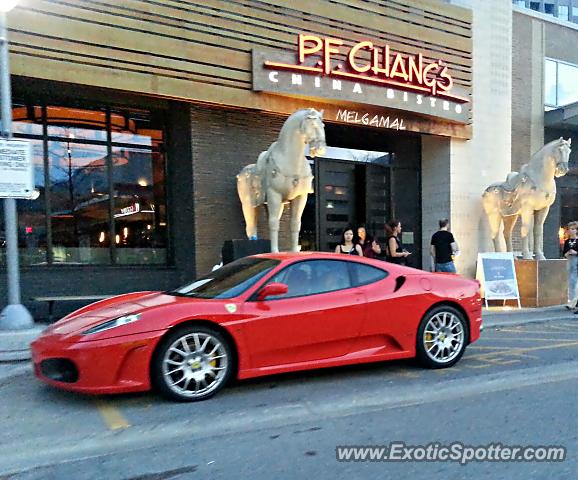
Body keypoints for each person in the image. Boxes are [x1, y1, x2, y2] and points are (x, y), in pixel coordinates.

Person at [562, 221, 578, 311]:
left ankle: (574, 303)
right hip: (570, 263)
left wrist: (576, 252)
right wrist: (567, 253)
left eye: (573, 229)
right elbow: (564, 253)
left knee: (576, 284)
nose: (571, 231)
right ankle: (571, 302)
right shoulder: (567, 241)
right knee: (570, 283)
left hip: (576, 263)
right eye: (569, 229)